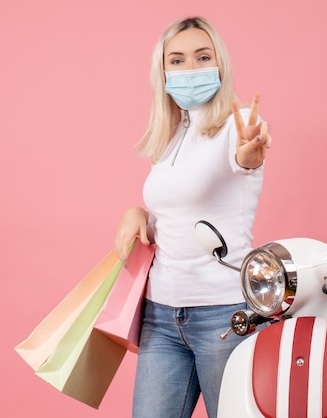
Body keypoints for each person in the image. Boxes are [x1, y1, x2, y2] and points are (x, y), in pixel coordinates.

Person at [114, 16, 272, 418]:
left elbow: (244, 159)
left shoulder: (239, 130)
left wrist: (248, 156)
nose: (190, 69)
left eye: (203, 57)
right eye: (178, 60)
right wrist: (138, 214)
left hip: (224, 314)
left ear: (220, 64)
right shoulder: (169, 136)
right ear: (163, 71)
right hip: (162, 317)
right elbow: (178, 215)